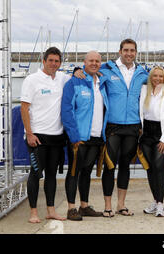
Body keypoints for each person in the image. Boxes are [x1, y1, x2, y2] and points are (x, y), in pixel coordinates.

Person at [76, 39, 148, 217]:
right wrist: (76, 70)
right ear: (120, 51)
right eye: (126, 50)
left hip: (133, 127)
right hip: (112, 127)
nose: (129, 53)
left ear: (136, 52)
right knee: (109, 165)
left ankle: (121, 205)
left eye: (132, 50)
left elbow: (160, 80)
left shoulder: (142, 72)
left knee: (125, 166)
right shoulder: (107, 69)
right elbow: (88, 73)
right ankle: (108, 205)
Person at [20, 47, 70, 223]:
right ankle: (33, 212)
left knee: (51, 175)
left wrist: (79, 71)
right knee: (35, 174)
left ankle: (51, 210)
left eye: (57, 61)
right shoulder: (32, 80)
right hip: (37, 136)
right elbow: (24, 107)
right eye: (51, 60)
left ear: (60, 63)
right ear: (44, 61)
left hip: (56, 136)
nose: (53, 64)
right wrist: (29, 133)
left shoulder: (63, 78)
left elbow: (79, 75)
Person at [61, 51, 107, 221]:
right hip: (79, 138)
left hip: (96, 137)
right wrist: (74, 136)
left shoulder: (102, 82)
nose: (94, 63)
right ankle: (71, 208)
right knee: (74, 172)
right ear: (84, 63)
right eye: (91, 61)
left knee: (87, 172)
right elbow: (67, 110)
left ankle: (84, 206)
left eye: (97, 61)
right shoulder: (74, 82)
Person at [139, 67, 164, 217]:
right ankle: (156, 202)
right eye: (154, 76)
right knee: (150, 168)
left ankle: (161, 205)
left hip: (163, 134)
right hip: (147, 135)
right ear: (150, 77)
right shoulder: (144, 91)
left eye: (160, 76)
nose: (157, 78)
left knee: (159, 167)